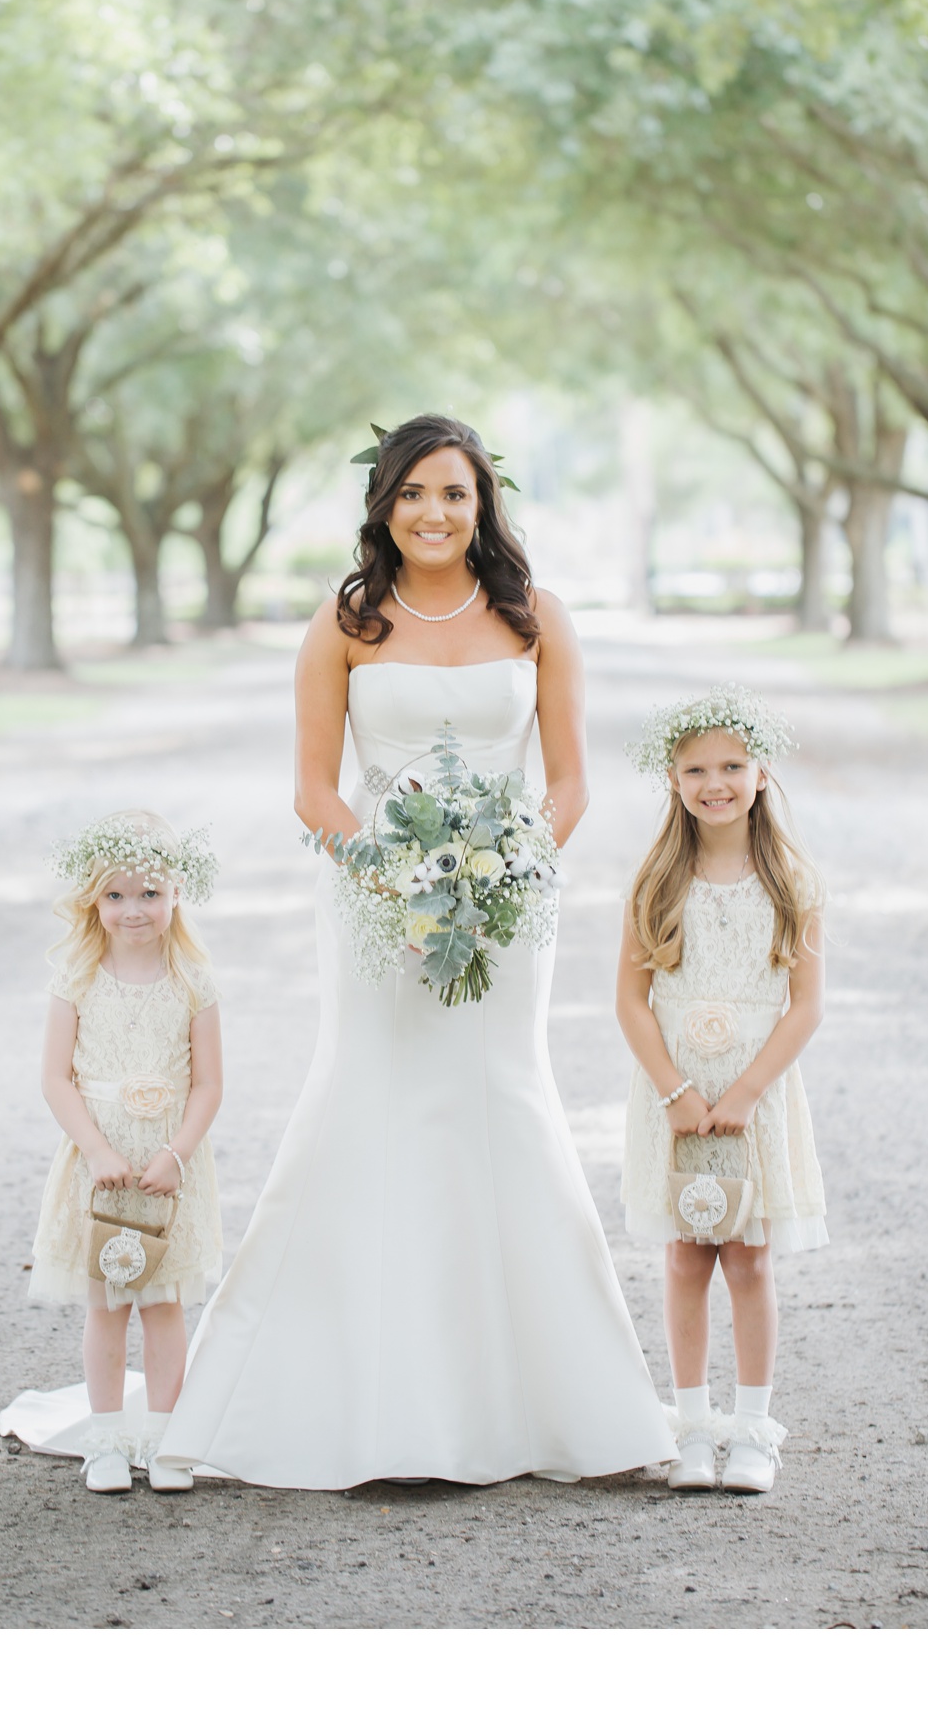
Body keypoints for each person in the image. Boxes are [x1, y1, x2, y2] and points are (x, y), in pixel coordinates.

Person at [155, 414, 675, 1487]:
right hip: (374, 900)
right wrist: (395, 874)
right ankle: (355, 1392)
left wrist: (506, 864)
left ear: (484, 505)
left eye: (455, 493)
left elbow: (570, 780)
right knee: (373, 1096)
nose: (434, 513)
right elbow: (312, 787)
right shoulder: (346, 621)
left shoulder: (536, 618)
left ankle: (541, 1398)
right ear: (383, 504)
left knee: (503, 1099)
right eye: (413, 493)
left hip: (508, 906)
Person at [618, 688, 827, 1494]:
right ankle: (692, 1425)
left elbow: (806, 1005)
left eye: (732, 766)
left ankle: (750, 1429)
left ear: (761, 772)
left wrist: (745, 1091)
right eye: (696, 768)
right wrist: (674, 1092)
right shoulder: (656, 881)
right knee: (683, 1256)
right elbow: (629, 1003)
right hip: (675, 1098)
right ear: (671, 780)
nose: (716, 782)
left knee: (747, 1256)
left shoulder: (791, 882)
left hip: (754, 1096)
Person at [0, 809, 223, 1493]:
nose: (133, 910)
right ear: (93, 899)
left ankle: (161, 1440)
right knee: (106, 1305)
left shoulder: (193, 980)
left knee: (162, 1305)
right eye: (117, 895)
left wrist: (177, 1154)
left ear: (176, 896)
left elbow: (210, 1085)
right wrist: (94, 1148)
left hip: (165, 1170)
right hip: (101, 1170)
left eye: (149, 894)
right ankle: (104, 1441)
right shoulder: (76, 980)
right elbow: (54, 1077)